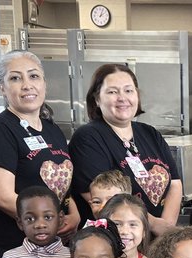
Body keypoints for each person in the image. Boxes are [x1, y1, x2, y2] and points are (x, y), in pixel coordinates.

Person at [0, 49, 76, 258]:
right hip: (20, 250)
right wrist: (49, 223)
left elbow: (63, 184)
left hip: (57, 245)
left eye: (33, 76)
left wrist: (74, 215)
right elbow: (3, 198)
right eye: (15, 78)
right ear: (2, 88)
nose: (26, 84)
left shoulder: (52, 130)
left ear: (44, 83)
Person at [70, 64, 182, 234]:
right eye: (112, 92)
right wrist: (154, 226)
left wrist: (165, 227)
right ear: (97, 99)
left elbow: (175, 183)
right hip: (117, 240)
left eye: (128, 90)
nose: (122, 98)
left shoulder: (149, 133)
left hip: (157, 239)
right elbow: (103, 199)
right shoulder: (88, 138)